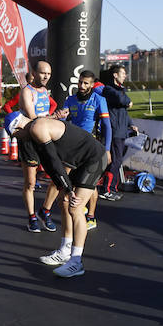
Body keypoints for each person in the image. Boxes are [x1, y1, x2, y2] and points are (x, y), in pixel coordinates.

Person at [13, 117, 107, 278]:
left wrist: (69, 189)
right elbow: (49, 165)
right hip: (80, 161)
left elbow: (54, 160)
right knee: (63, 202)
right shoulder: (34, 132)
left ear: (18, 128)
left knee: (75, 207)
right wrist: (63, 187)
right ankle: (65, 250)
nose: (17, 139)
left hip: (94, 159)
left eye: (16, 136)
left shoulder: (37, 128)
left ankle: (76, 261)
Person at [58, 70, 110, 231]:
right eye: (80, 82)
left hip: (91, 148)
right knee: (70, 182)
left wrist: (107, 150)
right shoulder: (70, 99)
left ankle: (91, 217)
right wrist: (59, 116)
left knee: (90, 183)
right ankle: (82, 208)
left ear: (92, 85)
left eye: (86, 83)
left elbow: (107, 126)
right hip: (73, 148)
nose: (81, 85)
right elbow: (64, 118)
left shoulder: (99, 100)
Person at [18, 64, 60, 232]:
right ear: (34, 73)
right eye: (43, 73)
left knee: (58, 177)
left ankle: (45, 211)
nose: (46, 76)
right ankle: (32, 217)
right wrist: (53, 117)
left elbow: (49, 111)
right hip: (29, 140)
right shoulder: (27, 91)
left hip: (46, 138)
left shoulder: (44, 92)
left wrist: (56, 116)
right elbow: (33, 118)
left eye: (49, 73)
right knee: (31, 183)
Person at [99, 65, 137, 200]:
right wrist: (129, 101)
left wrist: (131, 124)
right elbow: (123, 101)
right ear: (115, 75)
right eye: (123, 73)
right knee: (115, 161)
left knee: (117, 161)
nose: (125, 76)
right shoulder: (109, 89)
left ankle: (112, 187)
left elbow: (123, 112)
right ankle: (106, 189)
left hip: (121, 131)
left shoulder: (120, 90)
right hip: (114, 131)